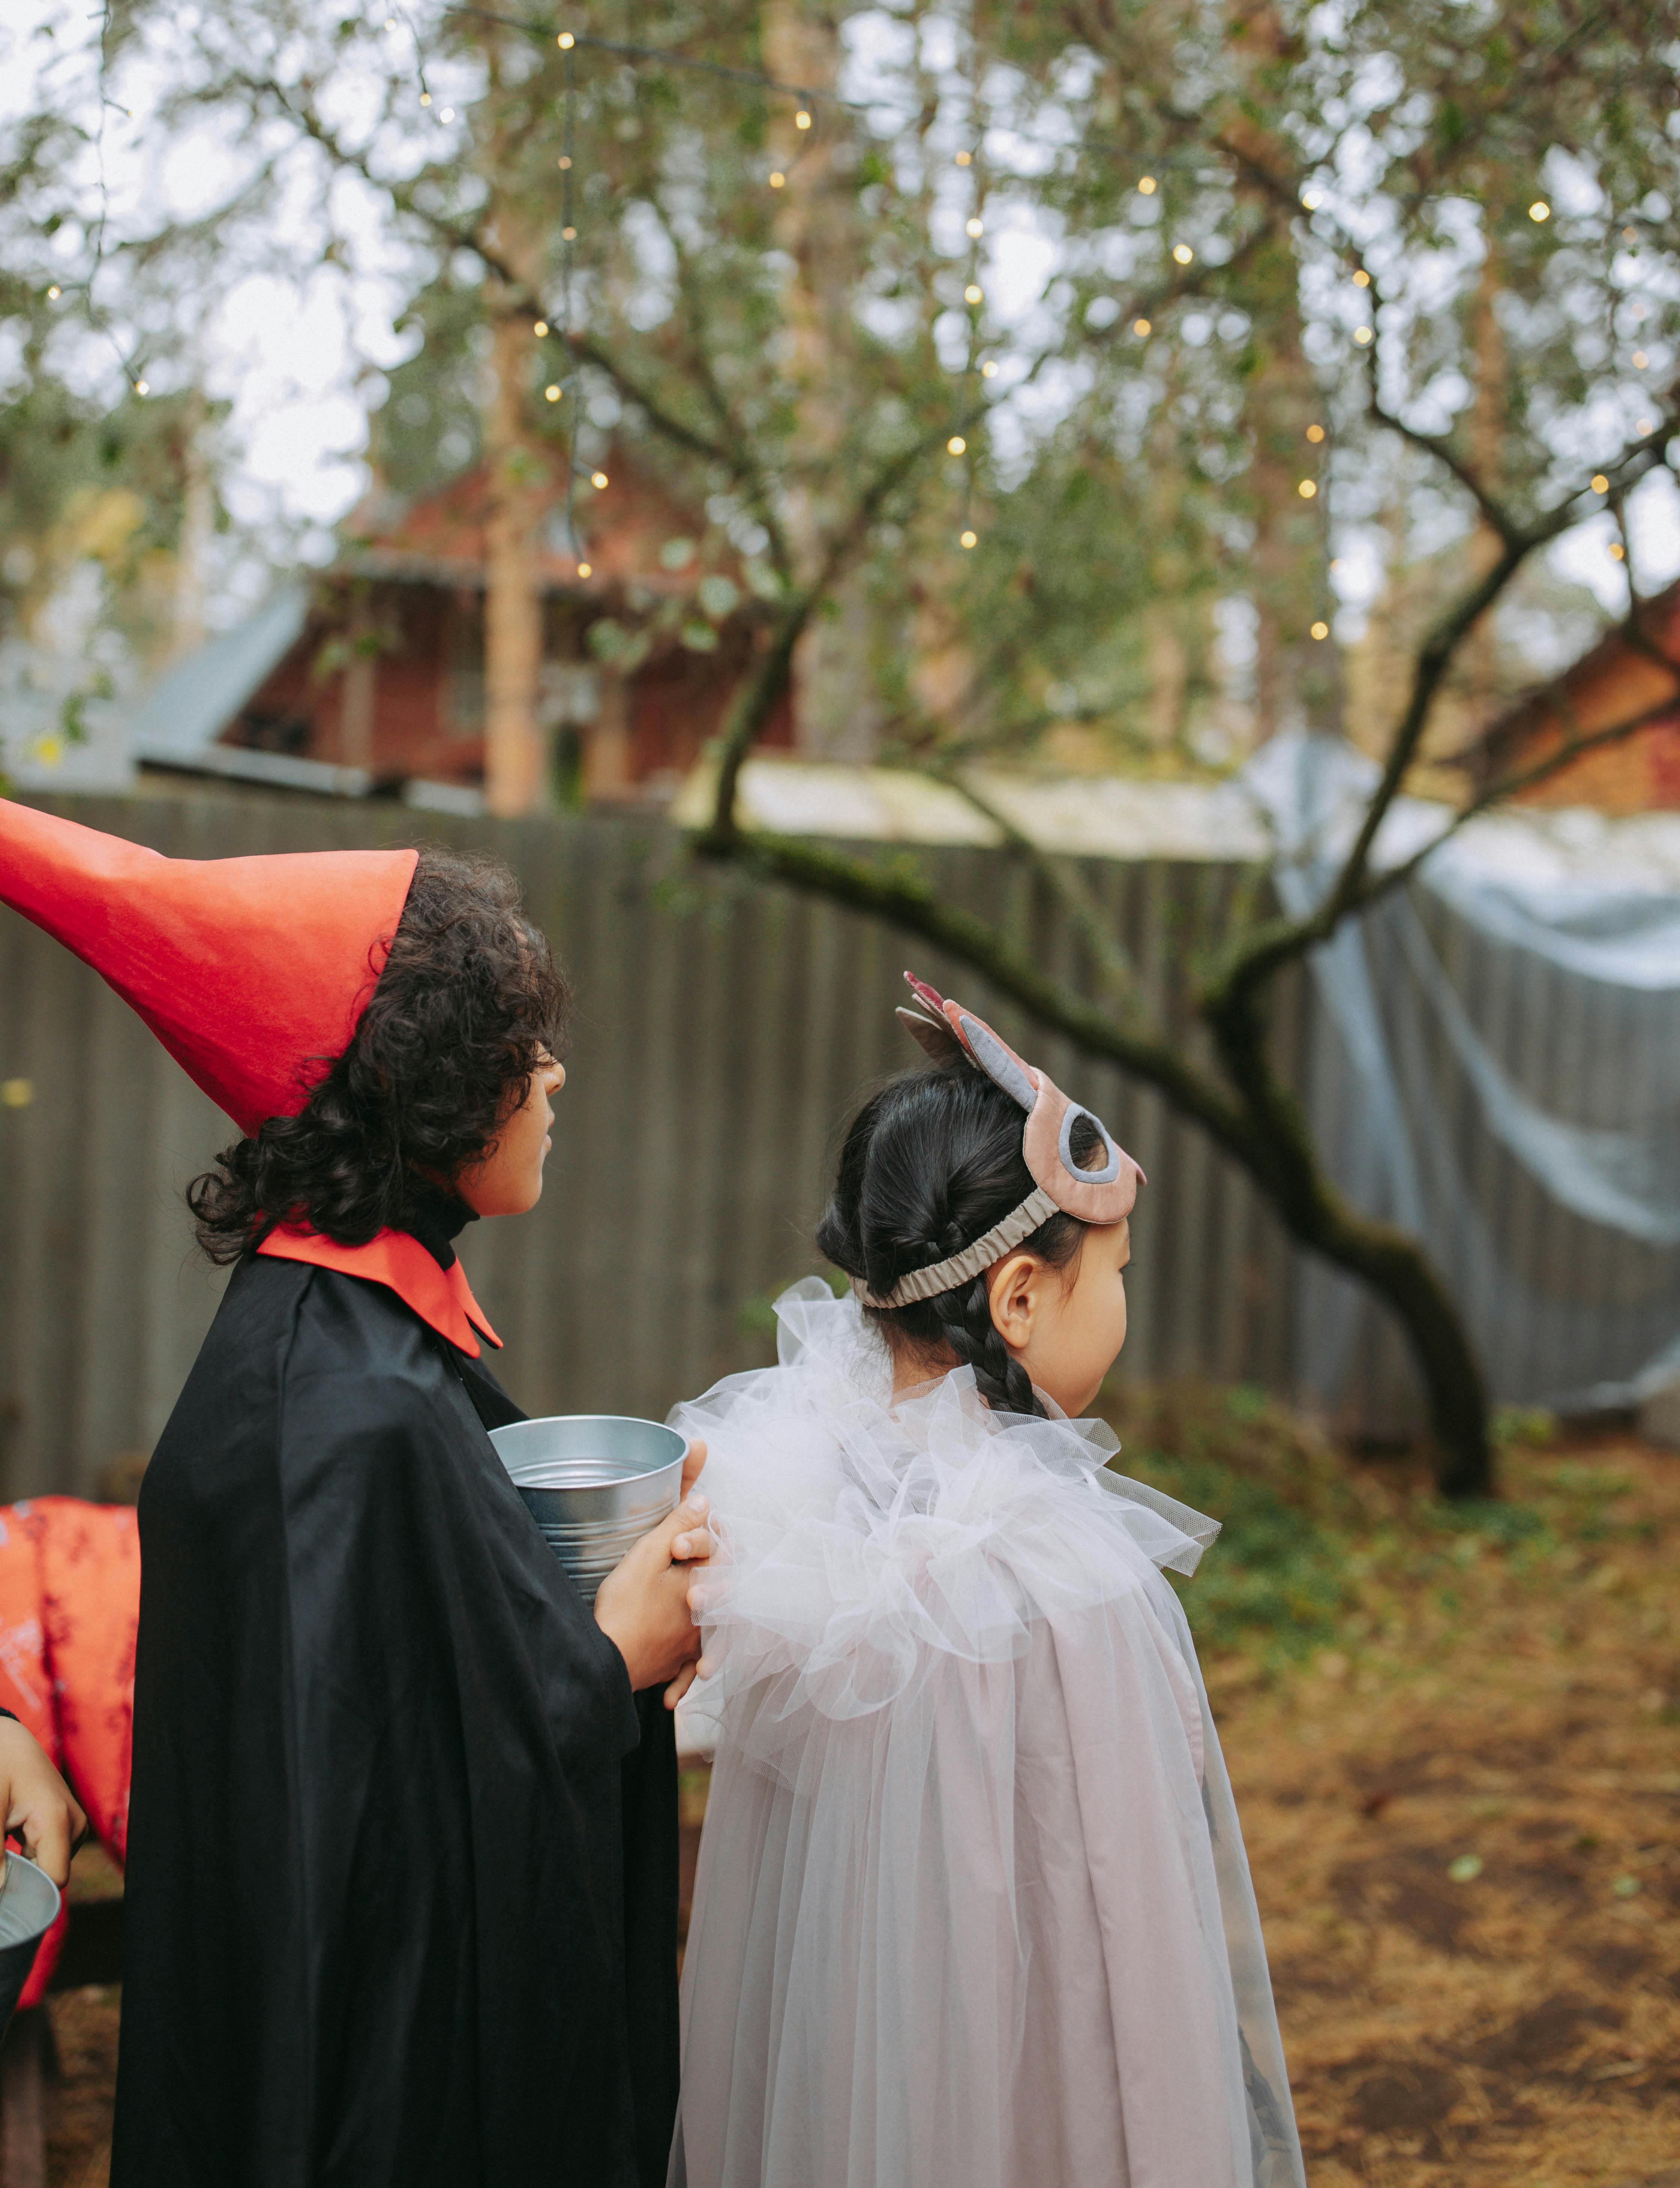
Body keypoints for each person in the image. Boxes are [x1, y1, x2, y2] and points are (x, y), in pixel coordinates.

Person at [0, 800, 707, 2188]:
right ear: (428, 1083)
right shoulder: (354, 1401)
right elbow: (393, 1825)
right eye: (520, 1048)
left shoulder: (323, 1339)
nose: (554, 1076)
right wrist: (620, 1649)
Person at [668, 973, 1305, 2188]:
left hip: (844, 2083)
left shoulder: (801, 1528)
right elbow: (1137, 1925)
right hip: (1031, 2097)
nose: (1123, 1302)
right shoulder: (1071, 1580)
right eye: (1113, 1273)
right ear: (1018, 1296)